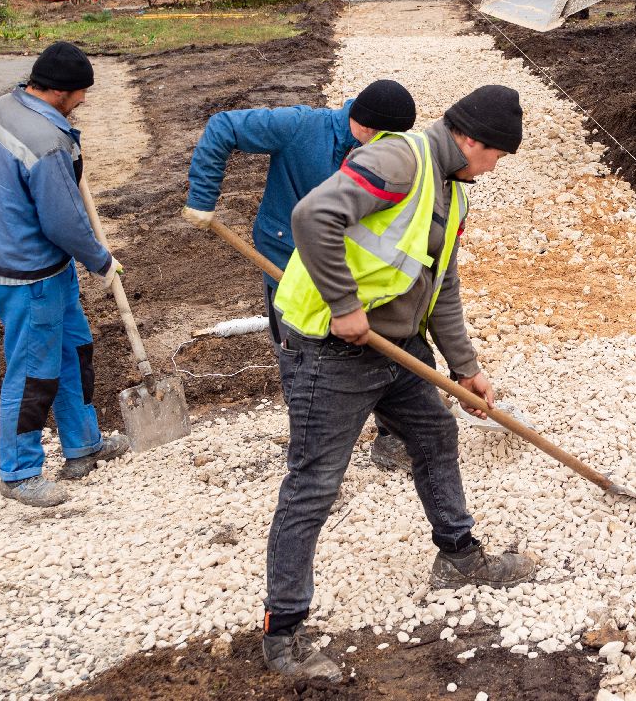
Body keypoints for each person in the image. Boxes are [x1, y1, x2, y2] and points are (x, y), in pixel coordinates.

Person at [260, 85, 538, 681]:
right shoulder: (397, 162)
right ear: (469, 140)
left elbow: (443, 286)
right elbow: (312, 216)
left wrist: (465, 367)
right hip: (328, 352)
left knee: (436, 437)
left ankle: (458, 555)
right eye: (496, 155)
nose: (495, 167)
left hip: (396, 350)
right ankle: (282, 631)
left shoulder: (453, 191)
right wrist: (341, 303)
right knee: (314, 484)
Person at [180, 80, 419, 473]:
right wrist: (202, 199)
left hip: (353, 268)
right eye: (385, 138)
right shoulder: (299, 126)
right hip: (288, 263)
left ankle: (392, 435)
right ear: (369, 126)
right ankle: (312, 455)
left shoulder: (388, 153)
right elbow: (223, 126)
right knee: (300, 356)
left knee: (382, 344)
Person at [0, 41, 131, 508]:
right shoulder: (48, 142)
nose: (83, 102)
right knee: (33, 372)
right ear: (61, 93)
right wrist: (100, 258)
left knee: (73, 351)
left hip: (32, 263)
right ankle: (18, 473)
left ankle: (84, 446)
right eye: (81, 94)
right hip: (29, 275)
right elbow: (62, 221)